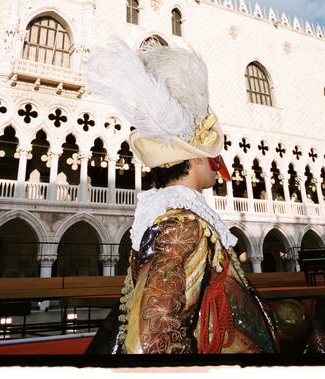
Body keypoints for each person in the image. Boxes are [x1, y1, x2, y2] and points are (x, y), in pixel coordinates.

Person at [83, 37, 278, 355]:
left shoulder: (177, 215)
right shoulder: (181, 223)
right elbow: (153, 336)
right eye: (214, 157)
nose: (219, 166)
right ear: (196, 158)